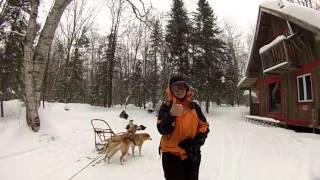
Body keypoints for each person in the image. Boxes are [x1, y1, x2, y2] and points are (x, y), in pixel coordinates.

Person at [157, 75, 210, 180]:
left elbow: (204, 126)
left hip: (192, 153)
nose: (179, 90)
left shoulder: (194, 106)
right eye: (175, 87)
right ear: (170, 89)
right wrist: (171, 115)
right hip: (171, 153)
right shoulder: (166, 106)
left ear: (186, 88)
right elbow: (162, 130)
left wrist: (195, 142)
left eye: (182, 86)